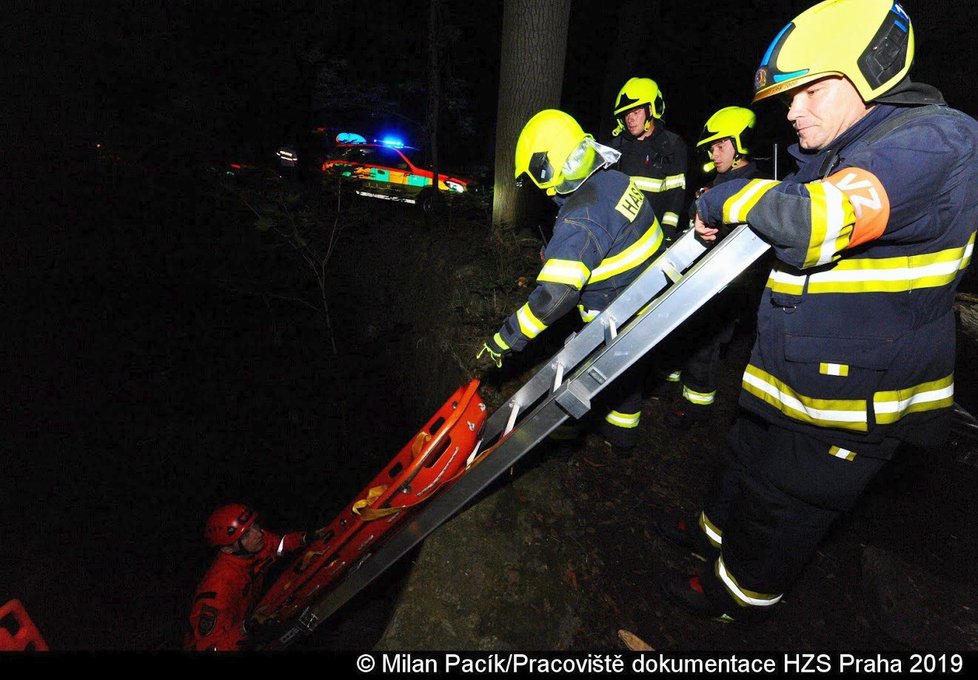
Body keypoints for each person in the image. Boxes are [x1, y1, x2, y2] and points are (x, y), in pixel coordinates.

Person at [657, 0, 978, 623]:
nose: (792, 111)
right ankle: (710, 541)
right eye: (787, 97)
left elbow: (812, 221)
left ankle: (734, 603)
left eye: (810, 91)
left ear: (871, 73)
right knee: (742, 469)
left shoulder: (936, 142)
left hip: (850, 408)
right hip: (788, 378)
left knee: (783, 510)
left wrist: (733, 196)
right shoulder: (841, 149)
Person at [477, 109, 667, 452]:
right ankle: (622, 436)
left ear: (545, 169)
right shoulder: (615, 180)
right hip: (643, 302)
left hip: (613, 315)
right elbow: (603, 236)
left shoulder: (580, 217)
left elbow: (556, 296)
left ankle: (557, 446)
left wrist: (506, 338)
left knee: (564, 382)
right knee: (625, 380)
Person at [663, 106, 763, 430]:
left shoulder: (752, 184)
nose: (713, 152)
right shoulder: (723, 178)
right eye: (711, 146)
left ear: (741, 143)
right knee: (685, 336)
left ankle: (696, 408)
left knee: (707, 348)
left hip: (728, 287)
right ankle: (669, 386)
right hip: (701, 279)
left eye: (720, 145)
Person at [186, 503, 310, 650]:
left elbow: (278, 545)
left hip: (246, 621)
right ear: (227, 548)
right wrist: (247, 626)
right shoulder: (218, 590)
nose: (258, 533)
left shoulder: (252, 546)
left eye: (255, 525)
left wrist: (304, 538)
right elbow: (212, 647)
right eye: (246, 535)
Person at [609, 77, 689, 241]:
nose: (630, 119)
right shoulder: (615, 148)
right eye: (626, 114)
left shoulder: (672, 145)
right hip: (619, 236)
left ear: (651, 110)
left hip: (655, 234)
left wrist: (666, 237)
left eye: (636, 112)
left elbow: (675, 196)